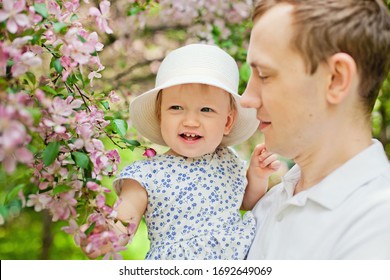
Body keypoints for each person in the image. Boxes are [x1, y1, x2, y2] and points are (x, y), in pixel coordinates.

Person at [82, 44, 280, 259]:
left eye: (206, 110)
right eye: (176, 108)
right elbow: (124, 220)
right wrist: (106, 234)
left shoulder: (228, 160)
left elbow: (245, 203)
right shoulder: (146, 174)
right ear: (160, 116)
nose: (190, 121)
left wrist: (257, 176)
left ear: (228, 122)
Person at [240, 0, 390, 259]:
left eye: (264, 75)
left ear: (335, 79)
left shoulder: (378, 224)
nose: (246, 98)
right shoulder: (267, 205)